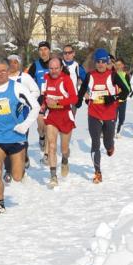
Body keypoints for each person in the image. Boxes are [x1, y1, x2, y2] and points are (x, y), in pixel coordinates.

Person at [0, 60, 38, 212]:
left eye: (3, 70)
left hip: (15, 137)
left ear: (8, 71)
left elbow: (35, 107)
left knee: (17, 177)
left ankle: (19, 168)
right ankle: (0, 203)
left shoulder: (17, 87)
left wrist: (24, 126)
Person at [76, 48, 129, 184]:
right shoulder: (89, 75)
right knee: (95, 143)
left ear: (107, 62)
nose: (100, 64)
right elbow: (82, 90)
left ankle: (110, 147)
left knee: (107, 143)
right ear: (95, 63)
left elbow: (125, 91)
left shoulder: (113, 75)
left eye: (103, 62)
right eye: (98, 62)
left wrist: (113, 98)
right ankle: (97, 172)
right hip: (94, 113)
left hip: (110, 114)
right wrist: (79, 101)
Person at [3, 53, 40, 182]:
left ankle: (23, 162)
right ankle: (8, 170)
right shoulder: (3, 77)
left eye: (15, 62)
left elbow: (36, 91)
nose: (12, 64)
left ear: (19, 64)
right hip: (5, 114)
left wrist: (25, 101)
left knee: (20, 141)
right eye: (10, 62)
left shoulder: (25, 77)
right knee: (5, 141)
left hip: (22, 115)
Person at [43, 57, 77, 188]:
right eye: (51, 68)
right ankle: (53, 176)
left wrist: (57, 102)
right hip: (51, 116)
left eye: (56, 68)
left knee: (64, 148)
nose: (53, 71)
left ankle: (64, 160)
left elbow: (74, 98)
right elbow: (43, 95)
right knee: (51, 145)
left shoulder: (66, 79)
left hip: (65, 116)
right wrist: (43, 104)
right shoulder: (46, 78)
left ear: (61, 68)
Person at [26, 41, 51, 161]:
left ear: (49, 50)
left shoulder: (55, 63)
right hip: (39, 100)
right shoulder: (35, 65)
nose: (43, 52)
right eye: (41, 50)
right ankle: (41, 136)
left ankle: (47, 155)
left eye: (45, 49)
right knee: (41, 127)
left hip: (53, 100)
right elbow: (27, 80)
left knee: (49, 127)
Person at [114, 58, 131, 138]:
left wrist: (123, 94)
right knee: (113, 117)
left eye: (119, 65)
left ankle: (119, 131)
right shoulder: (111, 75)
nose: (118, 67)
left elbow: (128, 88)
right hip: (113, 100)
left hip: (122, 100)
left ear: (123, 66)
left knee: (121, 117)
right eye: (116, 65)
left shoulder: (125, 75)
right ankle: (112, 131)